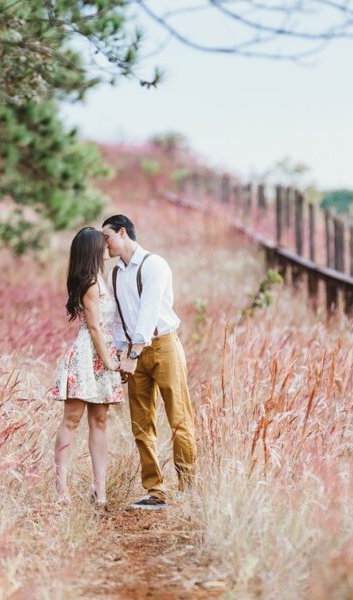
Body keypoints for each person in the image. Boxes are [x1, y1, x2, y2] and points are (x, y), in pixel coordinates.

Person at [102, 214, 197, 511]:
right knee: (141, 423)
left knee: (178, 418)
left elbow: (148, 310)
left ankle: (188, 489)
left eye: (107, 237)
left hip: (163, 346)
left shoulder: (154, 264)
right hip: (133, 353)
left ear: (122, 232)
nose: (104, 244)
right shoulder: (115, 274)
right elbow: (118, 320)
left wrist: (133, 353)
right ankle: (156, 491)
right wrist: (121, 354)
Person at [51, 227, 124, 507]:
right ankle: (61, 490)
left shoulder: (101, 278)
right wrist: (108, 361)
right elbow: (93, 326)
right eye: (102, 243)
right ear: (92, 250)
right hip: (88, 355)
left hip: (102, 352)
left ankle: (99, 489)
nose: (107, 246)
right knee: (72, 420)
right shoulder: (91, 282)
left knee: (100, 421)